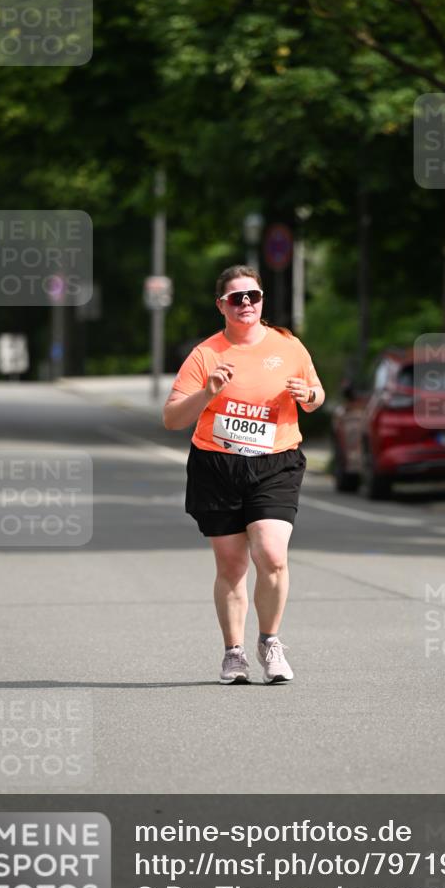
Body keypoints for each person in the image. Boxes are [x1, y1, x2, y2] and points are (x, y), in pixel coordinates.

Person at [163, 265, 325, 685]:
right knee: (232, 565)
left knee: (271, 554)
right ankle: (233, 653)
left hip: (276, 462)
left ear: (262, 300)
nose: (247, 304)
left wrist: (310, 397)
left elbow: (316, 394)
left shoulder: (288, 346)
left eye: (253, 296)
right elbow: (172, 418)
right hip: (217, 465)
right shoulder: (206, 354)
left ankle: (270, 642)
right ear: (221, 305)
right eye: (237, 298)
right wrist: (208, 393)